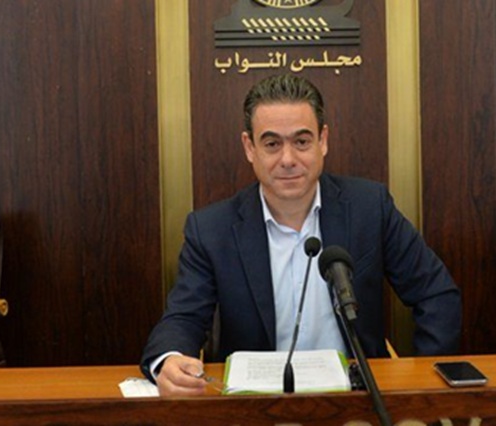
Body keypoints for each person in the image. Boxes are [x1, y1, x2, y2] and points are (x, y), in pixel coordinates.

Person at [141, 73, 461, 396]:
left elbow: (436, 294)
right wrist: (169, 360)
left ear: (323, 141)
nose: (288, 160)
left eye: (302, 142)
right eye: (272, 144)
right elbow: (183, 318)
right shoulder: (211, 230)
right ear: (249, 147)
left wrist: (420, 385)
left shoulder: (369, 209)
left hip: (359, 403)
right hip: (256, 407)